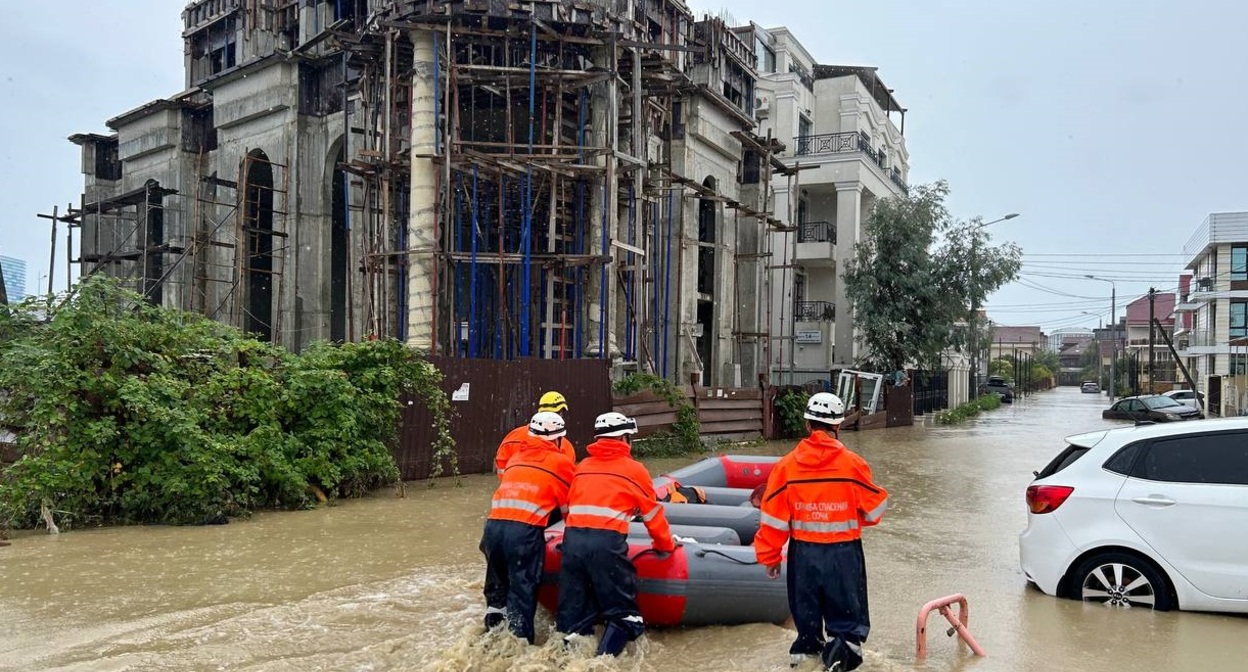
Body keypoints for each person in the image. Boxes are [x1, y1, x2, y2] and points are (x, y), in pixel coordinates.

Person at [754, 392, 889, 672]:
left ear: (807, 424)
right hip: (844, 556)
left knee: (807, 632)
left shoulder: (786, 467)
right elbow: (875, 511)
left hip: (804, 556)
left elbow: (772, 520)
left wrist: (769, 559)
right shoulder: (854, 465)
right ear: (838, 427)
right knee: (847, 631)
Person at [556, 412, 676, 657]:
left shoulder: (583, 467)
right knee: (626, 615)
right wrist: (665, 545)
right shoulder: (634, 470)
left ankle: (566, 659)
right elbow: (652, 515)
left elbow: (570, 509)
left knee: (574, 615)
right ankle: (604, 662)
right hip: (606, 546)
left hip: (572, 544)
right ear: (623, 438)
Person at [480, 411, 576, 644]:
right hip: (522, 534)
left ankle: (491, 638)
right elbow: (568, 511)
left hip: (492, 530)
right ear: (557, 439)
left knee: (497, 589)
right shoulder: (561, 463)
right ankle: (519, 650)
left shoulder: (515, 458)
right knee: (522, 590)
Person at [495, 391, 576, 477]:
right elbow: (566, 479)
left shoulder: (513, 437)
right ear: (560, 415)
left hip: (512, 487)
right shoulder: (565, 446)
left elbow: (501, 469)